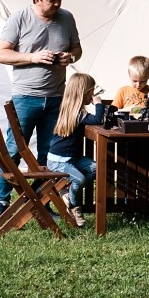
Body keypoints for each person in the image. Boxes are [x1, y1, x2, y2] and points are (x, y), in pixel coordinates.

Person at [0, 0, 82, 223]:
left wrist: (69, 58)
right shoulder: (19, 18)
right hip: (26, 97)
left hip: (56, 98)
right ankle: (0, 202)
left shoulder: (67, 18)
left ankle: (44, 202)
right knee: (13, 151)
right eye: (52, 0)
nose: (58, 3)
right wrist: (32, 57)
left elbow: (77, 49)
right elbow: (0, 55)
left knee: (48, 154)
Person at [47, 72, 103, 228]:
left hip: (73, 158)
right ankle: (73, 206)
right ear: (83, 93)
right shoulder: (78, 114)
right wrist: (98, 102)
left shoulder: (71, 110)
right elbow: (99, 120)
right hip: (58, 161)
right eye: (91, 91)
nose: (92, 94)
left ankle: (68, 191)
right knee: (80, 179)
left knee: (98, 169)